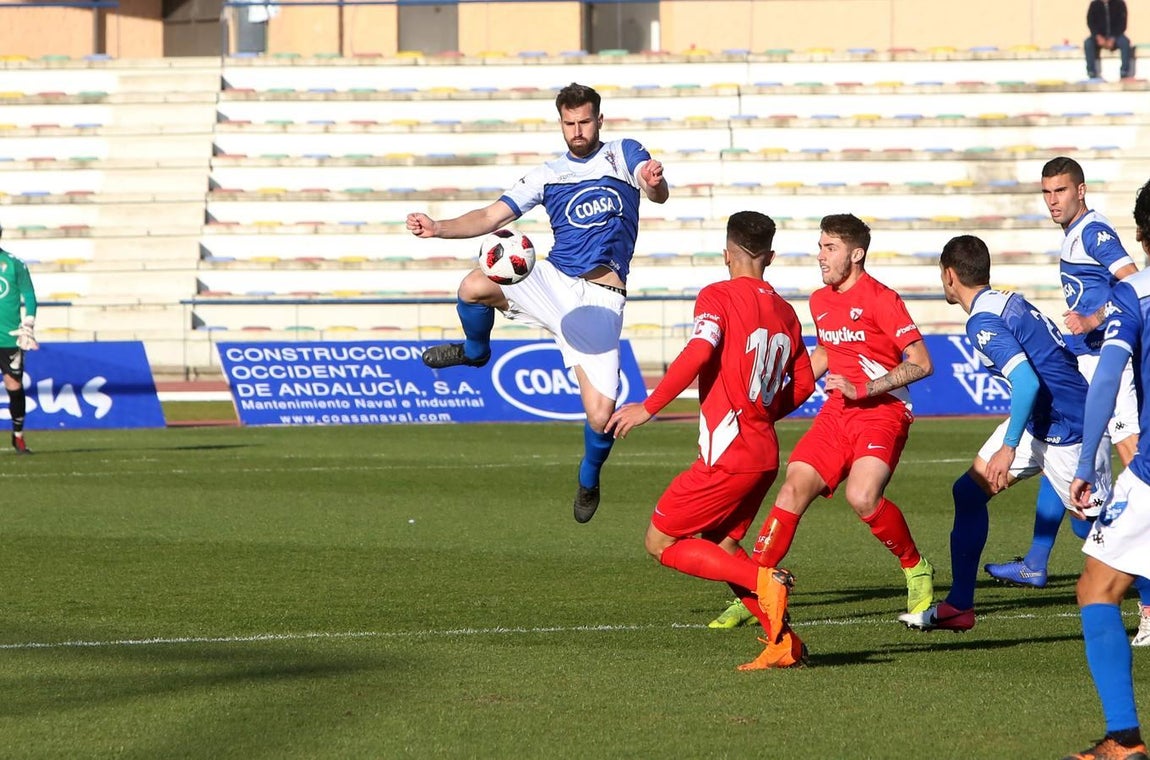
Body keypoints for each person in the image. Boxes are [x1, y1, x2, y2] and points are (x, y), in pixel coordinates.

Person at [406, 83, 669, 523]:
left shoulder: (621, 153)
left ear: (599, 120)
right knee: (473, 286)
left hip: (600, 299)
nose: (578, 130)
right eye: (570, 123)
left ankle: (589, 476)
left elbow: (652, 186)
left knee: (601, 416)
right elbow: (491, 216)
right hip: (552, 279)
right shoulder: (548, 174)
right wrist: (438, 227)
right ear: (561, 123)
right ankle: (475, 352)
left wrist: (653, 181)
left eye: (585, 121)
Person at [606, 210, 816, 670]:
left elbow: (701, 349)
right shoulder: (785, 311)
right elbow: (802, 384)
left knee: (660, 541)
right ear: (771, 256)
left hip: (729, 453)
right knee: (722, 546)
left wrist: (649, 405)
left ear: (727, 253)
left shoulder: (717, 295)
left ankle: (766, 580)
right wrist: (763, 412)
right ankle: (781, 641)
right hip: (763, 453)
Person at [899, 234, 1114, 632]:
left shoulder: (983, 320)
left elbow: (1027, 382)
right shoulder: (1006, 300)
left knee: (1099, 528)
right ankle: (960, 605)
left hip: (1070, 429)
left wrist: (1008, 448)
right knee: (968, 492)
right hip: (1044, 419)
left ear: (949, 276)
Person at [983, 157, 1150, 640]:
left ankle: (1146, 605)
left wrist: (1094, 319)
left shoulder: (1094, 231)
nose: (1053, 200)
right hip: (1091, 362)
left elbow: (1132, 279)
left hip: (1110, 368)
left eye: (1060, 190)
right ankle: (1037, 560)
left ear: (1081, 190)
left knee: (1135, 473)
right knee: (1058, 450)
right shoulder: (1074, 232)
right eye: (1047, 192)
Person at [742, 213, 936, 618]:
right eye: (820, 247)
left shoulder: (882, 299)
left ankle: (916, 568)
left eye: (830, 248)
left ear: (857, 253)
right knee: (793, 487)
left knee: (862, 497)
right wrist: (775, 403)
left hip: (882, 412)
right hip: (837, 413)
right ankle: (754, 589)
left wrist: (862, 389)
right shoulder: (820, 300)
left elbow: (920, 362)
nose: (820, 256)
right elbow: (826, 353)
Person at [1061, 178, 1150, 760]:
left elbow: (1109, 379)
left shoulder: (1135, 294)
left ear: (1142, 236)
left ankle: (1124, 741)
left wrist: (1088, 458)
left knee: (1097, 586)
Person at [0, 224, 37, 454]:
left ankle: (18, 436)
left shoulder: (14, 264)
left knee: (14, 385)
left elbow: (29, 294)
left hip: (9, 338)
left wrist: (29, 323)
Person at [1085, 0, 1134, 81]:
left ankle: (1124, 72)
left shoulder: (1120, 4)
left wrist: (1113, 38)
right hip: (1099, 36)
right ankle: (1091, 72)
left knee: (1125, 42)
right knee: (1088, 43)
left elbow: (1122, 24)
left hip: (1116, 36)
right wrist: (1098, 36)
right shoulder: (1094, 4)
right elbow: (1090, 22)